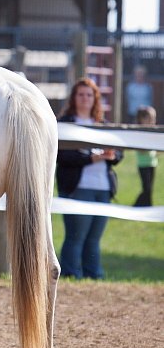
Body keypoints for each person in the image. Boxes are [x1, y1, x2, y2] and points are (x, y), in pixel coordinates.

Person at [56, 77, 123, 279]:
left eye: (89, 95)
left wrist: (112, 155)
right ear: (74, 98)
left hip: (103, 188)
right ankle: (70, 274)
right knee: (76, 236)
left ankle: (94, 276)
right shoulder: (65, 124)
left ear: (95, 99)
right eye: (81, 94)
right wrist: (92, 158)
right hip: (78, 187)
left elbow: (120, 152)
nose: (85, 98)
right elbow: (61, 155)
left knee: (94, 238)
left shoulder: (103, 124)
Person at [134, 105, 158, 207]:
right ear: (141, 119)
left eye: (153, 119)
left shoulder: (152, 133)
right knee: (146, 188)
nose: (152, 122)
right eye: (149, 119)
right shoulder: (140, 133)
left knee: (150, 188)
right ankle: (137, 206)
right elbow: (142, 150)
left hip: (152, 163)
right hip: (143, 164)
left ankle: (147, 206)